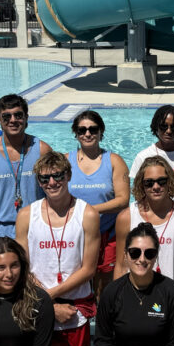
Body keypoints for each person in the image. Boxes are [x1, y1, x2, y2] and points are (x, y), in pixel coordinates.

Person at [15, 151, 100, 346]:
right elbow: (22, 268)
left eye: (57, 176)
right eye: (44, 178)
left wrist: (49, 298)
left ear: (69, 175)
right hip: (37, 308)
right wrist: (49, 305)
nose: (52, 182)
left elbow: (89, 269)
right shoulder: (26, 216)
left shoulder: (87, 214)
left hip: (74, 311)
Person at [113, 158, 174, 331]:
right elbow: (121, 266)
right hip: (135, 301)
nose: (155, 187)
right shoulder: (126, 217)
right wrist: (117, 306)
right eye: (149, 183)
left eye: (161, 181)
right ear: (141, 186)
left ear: (170, 182)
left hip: (172, 303)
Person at [66, 110, 130, 295]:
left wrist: (88, 211)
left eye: (93, 129)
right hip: (75, 235)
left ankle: (103, 322)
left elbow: (123, 200)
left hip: (106, 235)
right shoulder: (65, 161)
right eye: (82, 130)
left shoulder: (114, 161)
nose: (87, 134)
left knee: (105, 289)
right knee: (78, 286)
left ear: (101, 132)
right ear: (76, 134)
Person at [0, 94, 52, 237]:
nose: (13, 120)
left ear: (26, 117)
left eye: (18, 115)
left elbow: (52, 189)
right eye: (6, 117)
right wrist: (2, 209)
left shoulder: (42, 150)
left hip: (35, 227)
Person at [129, 105, 174, 216]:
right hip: (154, 214)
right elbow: (139, 193)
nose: (168, 131)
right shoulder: (143, 156)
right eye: (163, 126)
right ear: (156, 127)